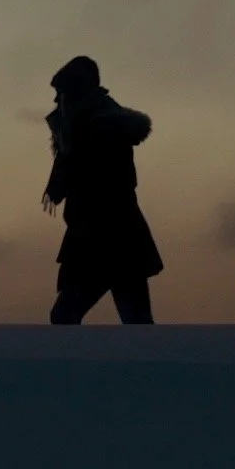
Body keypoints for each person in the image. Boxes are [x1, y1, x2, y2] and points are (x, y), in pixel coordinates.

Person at [40, 56, 163, 324]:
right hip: (110, 241)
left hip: (104, 241)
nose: (56, 101)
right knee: (137, 323)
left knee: (67, 318)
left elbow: (107, 188)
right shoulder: (88, 128)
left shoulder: (98, 130)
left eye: (61, 93)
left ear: (75, 92)